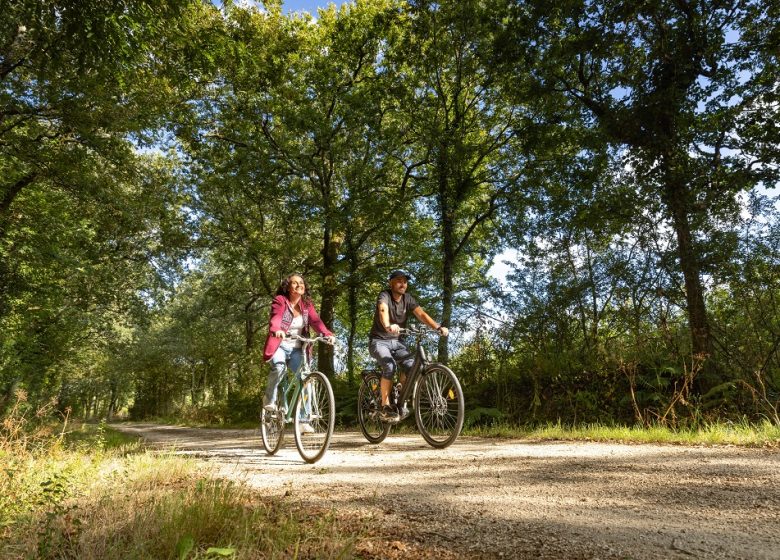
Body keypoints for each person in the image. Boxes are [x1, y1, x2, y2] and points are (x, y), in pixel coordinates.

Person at [368, 269, 448, 423]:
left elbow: (422, 315)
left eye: (405, 281)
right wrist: (387, 325)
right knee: (389, 366)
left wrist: (437, 327)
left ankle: (400, 393)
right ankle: (385, 406)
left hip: (397, 342)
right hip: (379, 341)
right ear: (391, 283)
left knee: (413, 367)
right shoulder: (385, 295)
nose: (402, 284)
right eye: (398, 281)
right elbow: (382, 309)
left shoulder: (408, 299)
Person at [262, 273, 334, 433]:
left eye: (301, 283)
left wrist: (326, 333)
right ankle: (270, 400)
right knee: (279, 368)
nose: (298, 285)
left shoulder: (306, 305)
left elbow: (316, 321)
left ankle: (302, 420)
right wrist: (277, 330)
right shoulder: (281, 301)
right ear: (287, 287)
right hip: (280, 345)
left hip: (298, 348)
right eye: (294, 283)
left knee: (306, 378)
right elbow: (276, 317)